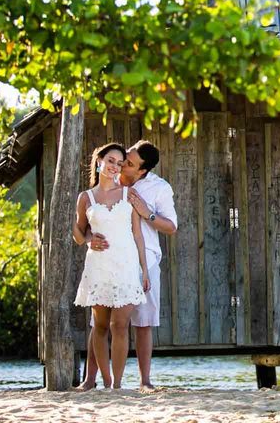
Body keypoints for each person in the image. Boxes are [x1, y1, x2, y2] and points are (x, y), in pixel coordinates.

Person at [77, 140, 176, 392]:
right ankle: (90, 379)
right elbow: (83, 225)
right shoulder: (107, 183)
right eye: (121, 160)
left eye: (128, 163)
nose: (121, 166)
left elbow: (171, 227)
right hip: (107, 260)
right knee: (98, 324)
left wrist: (146, 212)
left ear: (142, 170)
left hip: (145, 259)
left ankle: (144, 381)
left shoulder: (158, 188)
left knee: (143, 320)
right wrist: (88, 239)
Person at [72, 142, 150, 390]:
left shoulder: (129, 194)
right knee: (100, 325)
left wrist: (144, 270)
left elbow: (138, 235)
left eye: (119, 163)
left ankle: (117, 384)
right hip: (99, 266)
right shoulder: (86, 197)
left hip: (126, 265)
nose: (115, 167)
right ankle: (105, 381)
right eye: (110, 161)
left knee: (120, 325)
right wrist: (88, 240)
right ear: (99, 161)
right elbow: (78, 233)